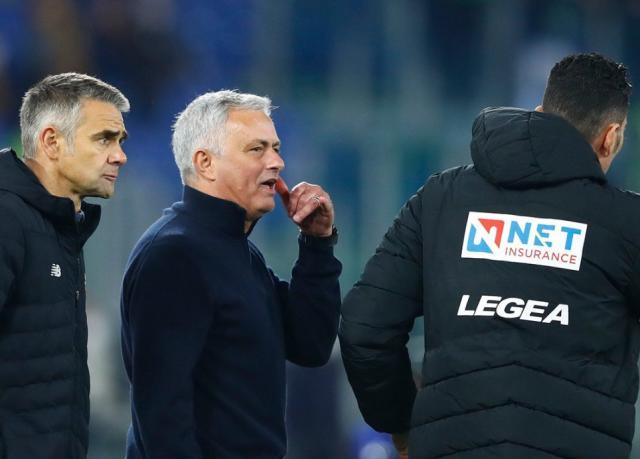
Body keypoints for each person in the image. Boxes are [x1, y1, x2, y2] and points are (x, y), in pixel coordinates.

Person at [339, 52, 637, 459]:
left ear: (539, 113)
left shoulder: (440, 199)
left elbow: (364, 327)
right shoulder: (628, 224)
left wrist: (404, 425)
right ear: (611, 136)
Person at [120, 90, 342, 459]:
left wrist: (317, 244)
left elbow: (311, 345)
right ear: (205, 163)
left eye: (276, 148)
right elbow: (162, 419)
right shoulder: (174, 255)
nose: (277, 162)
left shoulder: (237, 251)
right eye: (257, 149)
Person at [0, 73, 129, 458]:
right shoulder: (8, 218)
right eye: (104, 139)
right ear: (52, 142)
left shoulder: (60, 226)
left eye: (120, 141)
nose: (119, 155)